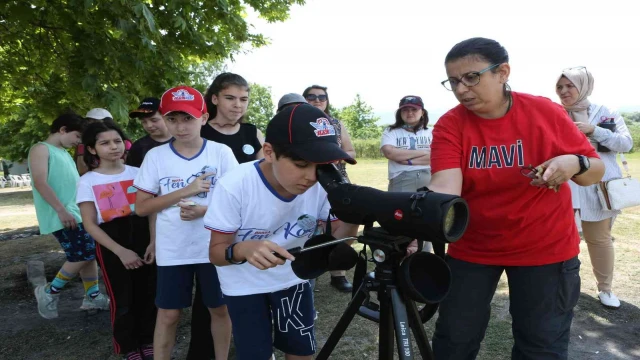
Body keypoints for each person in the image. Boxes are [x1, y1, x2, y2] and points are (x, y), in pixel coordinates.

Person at [429, 37, 605, 360]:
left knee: (541, 347)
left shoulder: (545, 113)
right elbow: (445, 184)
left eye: (471, 77)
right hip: (473, 248)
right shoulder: (450, 125)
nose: (461, 89)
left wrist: (572, 163)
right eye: (453, 81)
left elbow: (594, 168)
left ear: (503, 72)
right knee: (453, 341)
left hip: (545, 249)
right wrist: (422, 213)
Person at [205, 103, 359, 360]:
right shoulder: (235, 185)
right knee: (255, 354)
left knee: (300, 353)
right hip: (244, 287)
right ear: (269, 152)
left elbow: (339, 241)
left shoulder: (322, 184)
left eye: (321, 165)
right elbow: (216, 253)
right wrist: (243, 249)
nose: (311, 177)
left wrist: (354, 214)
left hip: (295, 279)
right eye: (300, 164)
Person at [134, 85, 237, 360]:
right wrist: (185, 191)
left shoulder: (221, 153)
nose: (180, 127)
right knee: (168, 313)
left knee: (219, 308)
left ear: (204, 117)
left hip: (213, 245)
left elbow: (239, 202)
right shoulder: (155, 157)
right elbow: (141, 207)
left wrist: (204, 210)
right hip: (173, 249)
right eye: (172, 119)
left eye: (188, 118)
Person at [77, 121, 157, 360]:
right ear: (92, 149)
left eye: (117, 141)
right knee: (122, 297)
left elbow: (152, 209)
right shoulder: (87, 181)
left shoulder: (139, 173)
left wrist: (153, 241)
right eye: (105, 143)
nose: (113, 147)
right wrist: (120, 251)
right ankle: (129, 347)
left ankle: (148, 340)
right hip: (112, 241)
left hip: (143, 235)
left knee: (148, 292)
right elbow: (90, 223)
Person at [556, 66, 633, 309]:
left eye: (570, 85)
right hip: (562, 188)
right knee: (559, 239)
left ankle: (605, 288)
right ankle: (562, 287)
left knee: (599, 239)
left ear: (585, 86)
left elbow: (626, 144)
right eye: (560, 86)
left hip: (597, 188)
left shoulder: (605, 113)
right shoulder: (554, 113)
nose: (564, 91)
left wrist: (594, 130)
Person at [28, 112, 110, 319]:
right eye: (76, 137)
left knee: (89, 253)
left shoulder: (63, 152)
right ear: (63, 130)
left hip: (76, 213)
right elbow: (40, 182)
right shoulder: (40, 149)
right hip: (61, 214)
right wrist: (61, 210)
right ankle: (49, 292)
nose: (77, 143)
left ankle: (92, 295)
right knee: (81, 254)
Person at [302, 84, 357, 292]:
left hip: (336, 180)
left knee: (341, 225)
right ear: (304, 99)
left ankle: (338, 272)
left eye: (322, 97)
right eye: (311, 96)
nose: (317, 100)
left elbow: (350, 151)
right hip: (306, 181)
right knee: (309, 225)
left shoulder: (336, 123)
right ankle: (310, 269)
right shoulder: (298, 122)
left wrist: (332, 157)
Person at [202, 72, 264, 162]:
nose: (238, 105)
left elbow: (262, 172)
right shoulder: (198, 132)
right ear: (215, 99)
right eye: (230, 98)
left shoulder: (254, 133)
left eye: (243, 99)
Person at [76, 108, 132, 175]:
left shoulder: (126, 143)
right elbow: (82, 170)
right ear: (91, 149)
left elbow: (130, 161)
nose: (114, 146)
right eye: (88, 122)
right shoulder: (83, 144)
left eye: (117, 141)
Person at [126, 98, 173, 168]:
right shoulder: (138, 147)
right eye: (144, 122)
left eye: (154, 120)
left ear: (167, 117)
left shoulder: (183, 141)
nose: (149, 125)